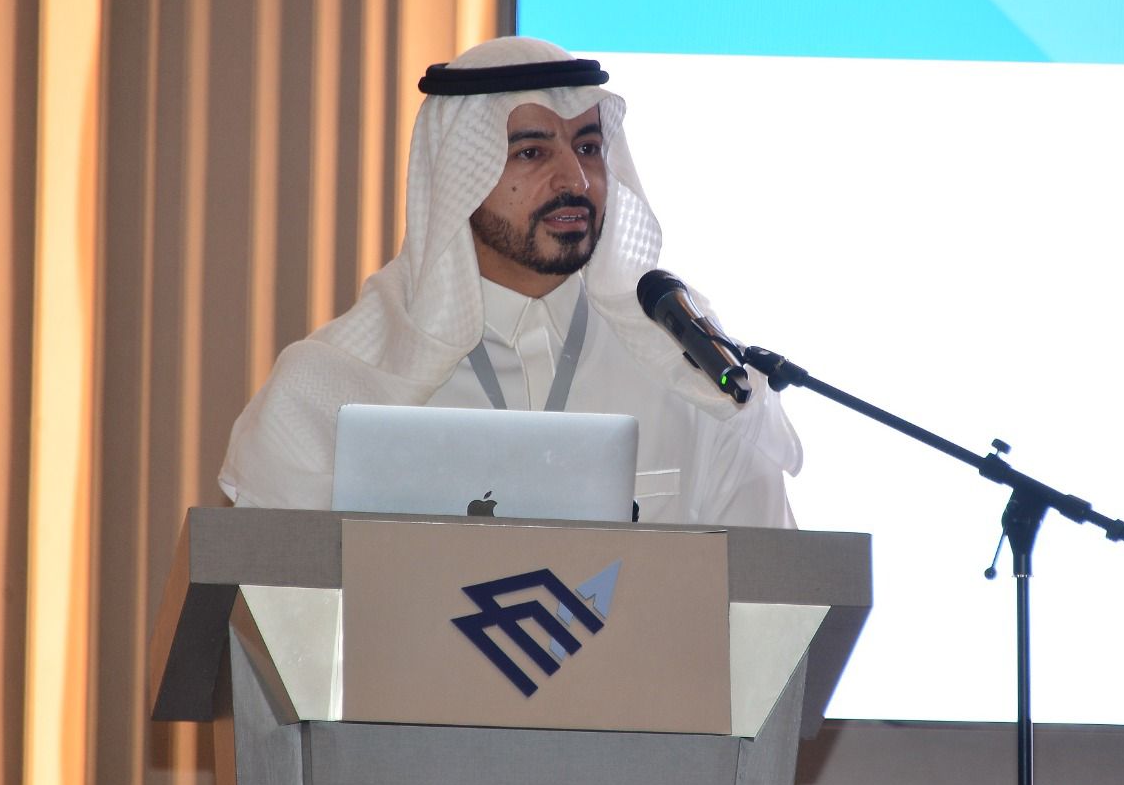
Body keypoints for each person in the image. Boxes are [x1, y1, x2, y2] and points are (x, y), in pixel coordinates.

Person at [218, 36, 799, 527]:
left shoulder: (694, 374)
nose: (575, 179)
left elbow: (769, 603)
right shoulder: (332, 390)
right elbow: (277, 606)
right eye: (531, 152)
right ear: (459, 175)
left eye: (588, 147)